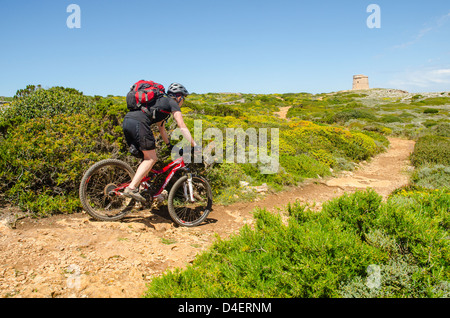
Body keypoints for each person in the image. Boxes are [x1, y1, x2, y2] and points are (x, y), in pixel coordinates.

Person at [122, 82, 198, 202]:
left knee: (146, 158)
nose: (183, 101)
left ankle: (142, 191)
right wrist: (195, 144)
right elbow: (181, 125)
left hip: (127, 121)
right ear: (179, 97)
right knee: (151, 158)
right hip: (139, 123)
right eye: (183, 98)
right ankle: (131, 188)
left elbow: (161, 128)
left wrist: (169, 145)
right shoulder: (172, 103)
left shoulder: (160, 103)